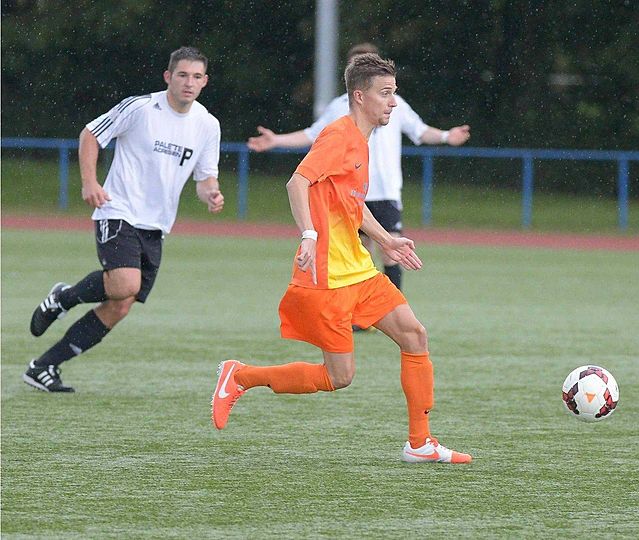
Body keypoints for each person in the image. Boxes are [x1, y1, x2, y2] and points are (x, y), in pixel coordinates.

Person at [213, 53, 472, 464]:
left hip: (359, 272)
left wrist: (386, 240)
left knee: (414, 336)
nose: (392, 102)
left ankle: (420, 443)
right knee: (339, 377)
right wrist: (310, 234)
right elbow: (296, 182)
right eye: (385, 94)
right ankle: (241, 375)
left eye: (394, 93)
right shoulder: (339, 135)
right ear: (359, 95)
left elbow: (353, 204)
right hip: (328, 278)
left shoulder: (363, 141)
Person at [24, 46, 223, 393]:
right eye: (182, 75)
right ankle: (63, 298)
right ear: (168, 77)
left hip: (156, 226)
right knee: (125, 284)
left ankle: (44, 366)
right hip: (118, 210)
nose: (188, 82)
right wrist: (89, 181)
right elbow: (90, 134)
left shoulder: (207, 124)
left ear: (204, 81)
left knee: (120, 306)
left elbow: (205, 178)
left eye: (196, 77)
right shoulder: (142, 108)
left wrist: (211, 194)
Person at [247, 43, 470, 297]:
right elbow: (311, 136)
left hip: (385, 189)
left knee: (391, 247)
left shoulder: (394, 103)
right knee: (360, 250)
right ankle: (362, 312)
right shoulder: (339, 110)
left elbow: (419, 131)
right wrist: (277, 140)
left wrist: (445, 136)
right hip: (350, 194)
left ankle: (391, 303)